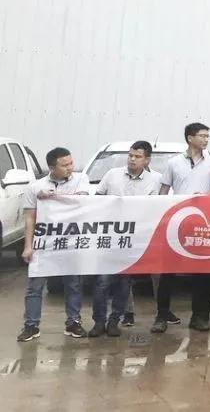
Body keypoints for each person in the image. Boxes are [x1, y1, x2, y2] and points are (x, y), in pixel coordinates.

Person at [153, 122, 210, 334]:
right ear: (190, 138)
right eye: (202, 136)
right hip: (176, 224)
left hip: (202, 224)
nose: (205, 140)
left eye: (207, 136)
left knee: (202, 272)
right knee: (168, 271)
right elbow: (164, 191)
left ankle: (199, 316)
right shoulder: (174, 163)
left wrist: (203, 196)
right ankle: (162, 316)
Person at [89, 141, 162, 338]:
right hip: (110, 238)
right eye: (130, 155)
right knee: (102, 283)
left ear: (147, 160)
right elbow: (97, 200)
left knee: (124, 284)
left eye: (137, 157)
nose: (132, 159)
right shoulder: (112, 175)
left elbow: (157, 207)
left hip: (135, 241)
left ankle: (115, 321)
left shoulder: (156, 180)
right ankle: (99, 321)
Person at [17, 147, 90, 342]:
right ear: (51, 168)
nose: (70, 168)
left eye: (71, 163)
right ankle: (31, 325)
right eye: (64, 165)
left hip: (71, 242)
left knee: (73, 284)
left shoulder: (81, 180)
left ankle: (73, 322)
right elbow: (30, 218)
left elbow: (81, 202)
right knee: (35, 286)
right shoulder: (35, 187)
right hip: (44, 244)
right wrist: (28, 246)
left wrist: (51, 197)